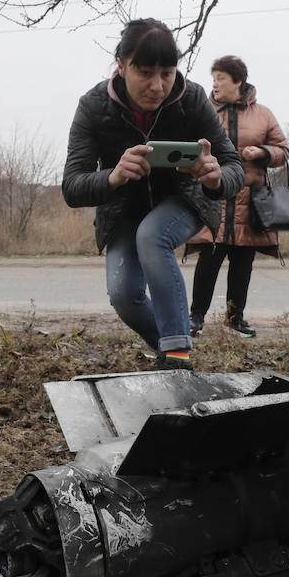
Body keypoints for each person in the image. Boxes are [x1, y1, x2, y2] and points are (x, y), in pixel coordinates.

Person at [62, 19, 245, 371]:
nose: (158, 86)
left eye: (167, 72)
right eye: (145, 72)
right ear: (121, 66)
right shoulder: (93, 105)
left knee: (153, 235)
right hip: (123, 210)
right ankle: (166, 348)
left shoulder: (191, 98)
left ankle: (178, 357)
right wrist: (112, 177)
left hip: (185, 200)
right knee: (124, 295)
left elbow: (233, 166)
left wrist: (215, 176)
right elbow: (72, 185)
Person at [185, 55, 289, 338]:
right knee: (208, 260)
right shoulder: (203, 111)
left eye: (221, 78)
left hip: (249, 203)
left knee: (243, 264)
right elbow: (185, 145)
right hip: (212, 198)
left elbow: (283, 150)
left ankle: (235, 319)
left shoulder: (264, 114)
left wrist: (263, 152)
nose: (215, 84)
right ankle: (195, 318)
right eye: (214, 78)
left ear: (238, 82)